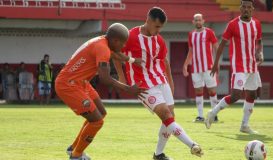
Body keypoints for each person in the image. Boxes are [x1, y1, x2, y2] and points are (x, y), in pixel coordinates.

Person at [117, 7, 203, 160]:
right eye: (156, 26)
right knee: (166, 115)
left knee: (170, 118)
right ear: (148, 20)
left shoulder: (159, 40)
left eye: (161, 27)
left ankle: (158, 154)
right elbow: (116, 54)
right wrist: (122, 80)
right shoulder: (130, 36)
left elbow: (165, 61)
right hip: (143, 85)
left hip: (160, 80)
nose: (158, 30)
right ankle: (192, 145)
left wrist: (170, 83)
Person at [55, 23, 147, 160]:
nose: (123, 47)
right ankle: (76, 156)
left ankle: (74, 148)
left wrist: (133, 60)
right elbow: (105, 78)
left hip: (81, 83)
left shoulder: (103, 41)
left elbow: (116, 54)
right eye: (123, 43)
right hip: (68, 85)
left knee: (101, 112)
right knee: (97, 121)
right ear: (115, 40)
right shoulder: (102, 48)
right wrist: (129, 89)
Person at [205, 0, 264, 134]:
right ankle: (212, 113)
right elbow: (221, 44)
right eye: (244, 7)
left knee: (252, 94)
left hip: (252, 65)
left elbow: (259, 41)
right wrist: (215, 63)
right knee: (236, 95)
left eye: (249, 7)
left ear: (252, 9)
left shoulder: (257, 24)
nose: (246, 9)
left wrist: (260, 52)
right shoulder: (232, 25)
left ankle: (244, 124)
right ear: (240, 8)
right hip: (239, 66)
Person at [183, 13, 219, 123]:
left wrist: (216, 63)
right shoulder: (191, 35)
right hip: (195, 68)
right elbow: (190, 51)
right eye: (196, 20)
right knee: (198, 91)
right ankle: (200, 116)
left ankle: (214, 115)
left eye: (199, 20)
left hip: (209, 67)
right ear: (193, 22)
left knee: (212, 91)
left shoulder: (209, 32)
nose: (198, 22)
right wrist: (185, 65)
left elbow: (217, 48)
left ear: (203, 21)